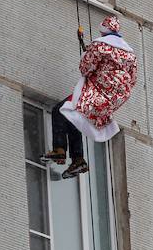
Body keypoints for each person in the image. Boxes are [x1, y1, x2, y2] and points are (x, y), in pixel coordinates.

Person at [41, 15, 138, 178]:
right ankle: (77, 159)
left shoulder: (100, 46)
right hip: (112, 100)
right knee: (74, 116)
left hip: (97, 92)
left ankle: (60, 149)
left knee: (60, 110)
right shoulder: (130, 55)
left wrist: (89, 55)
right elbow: (132, 79)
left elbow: (85, 68)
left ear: (103, 31)